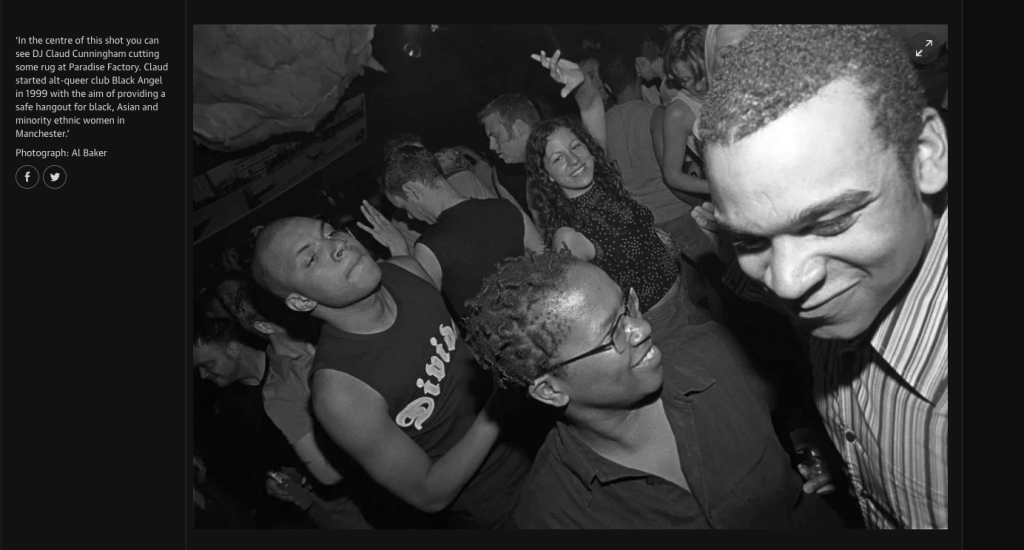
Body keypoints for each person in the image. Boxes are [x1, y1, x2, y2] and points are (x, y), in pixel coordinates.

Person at [699, 24, 949, 529]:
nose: (788, 284)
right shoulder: (841, 296)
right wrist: (859, 469)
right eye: (751, 241)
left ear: (924, 156)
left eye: (829, 223)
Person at [463, 250, 845, 529]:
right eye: (613, 333)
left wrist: (831, 451)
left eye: (627, 307)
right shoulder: (555, 516)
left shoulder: (716, 351)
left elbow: (800, 407)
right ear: (550, 390)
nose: (642, 328)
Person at [250, 217, 533, 528]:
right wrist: (500, 403)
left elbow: (466, 353)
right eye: (311, 257)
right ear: (302, 300)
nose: (338, 245)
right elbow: (429, 493)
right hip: (505, 500)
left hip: (539, 425)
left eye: (330, 232)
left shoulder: (406, 270)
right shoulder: (341, 391)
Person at [527, 51, 711, 340]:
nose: (574, 160)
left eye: (575, 146)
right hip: (659, 329)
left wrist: (582, 82)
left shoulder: (600, 180)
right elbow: (577, 310)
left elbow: (591, 105)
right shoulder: (568, 234)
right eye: (558, 158)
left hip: (684, 301)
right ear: (547, 175)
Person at [225, 278, 373, 529]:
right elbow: (326, 472)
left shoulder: (333, 327)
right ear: (263, 325)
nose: (299, 303)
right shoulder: (279, 392)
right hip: (376, 489)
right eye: (283, 304)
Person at [359, 145, 545, 324]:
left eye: (403, 206)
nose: (409, 215)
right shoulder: (507, 209)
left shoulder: (431, 247)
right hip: (546, 322)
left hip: (500, 342)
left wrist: (398, 250)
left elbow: (423, 315)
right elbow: (550, 264)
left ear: (411, 191)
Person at [598, 44, 719, 315]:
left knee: (685, 291)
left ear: (607, 87)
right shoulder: (655, 115)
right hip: (677, 213)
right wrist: (701, 203)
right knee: (720, 280)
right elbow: (671, 176)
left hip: (644, 224)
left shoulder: (601, 126)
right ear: (636, 75)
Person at [477, 93, 543, 217]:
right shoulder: (531, 173)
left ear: (518, 128)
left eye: (495, 136)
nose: (492, 146)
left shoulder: (560, 157)